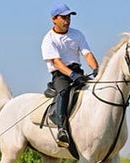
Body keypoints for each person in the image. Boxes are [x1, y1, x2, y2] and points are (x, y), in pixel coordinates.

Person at [41, 3, 99, 148]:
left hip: (77, 72)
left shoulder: (77, 34)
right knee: (64, 91)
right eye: (63, 18)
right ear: (54, 19)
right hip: (60, 74)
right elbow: (56, 62)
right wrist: (72, 75)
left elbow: (87, 54)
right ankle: (61, 129)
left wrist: (97, 69)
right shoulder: (49, 39)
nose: (67, 21)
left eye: (68, 17)